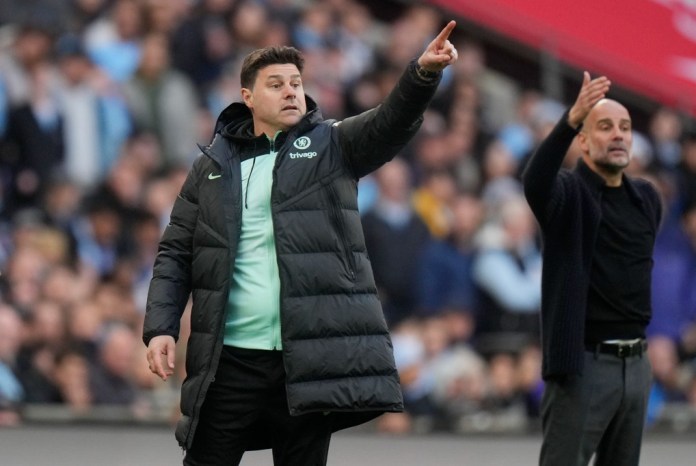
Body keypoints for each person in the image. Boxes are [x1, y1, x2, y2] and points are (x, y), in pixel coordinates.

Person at [143, 21, 459, 466]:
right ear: (247, 97)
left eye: (295, 82)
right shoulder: (210, 169)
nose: (291, 91)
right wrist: (161, 327)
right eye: (276, 84)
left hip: (306, 364)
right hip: (230, 360)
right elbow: (175, 252)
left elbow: (390, 122)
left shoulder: (331, 145)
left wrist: (421, 74)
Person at [522, 72, 663, 466]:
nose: (618, 134)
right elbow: (535, 182)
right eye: (604, 127)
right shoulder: (568, 194)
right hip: (584, 367)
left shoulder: (646, 199)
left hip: (636, 367)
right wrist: (569, 120)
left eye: (625, 127)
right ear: (583, 140)